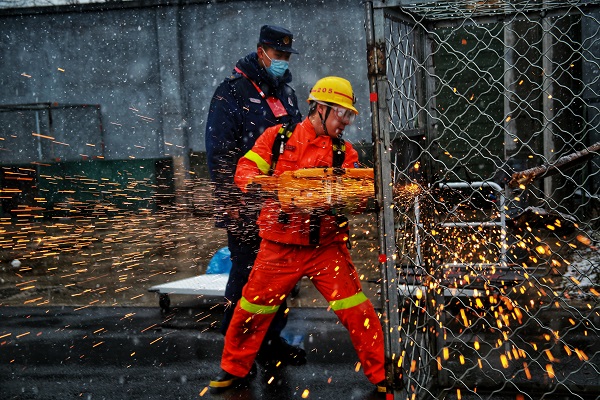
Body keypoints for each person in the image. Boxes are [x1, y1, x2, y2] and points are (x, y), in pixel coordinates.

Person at [209, 77, 386, 393]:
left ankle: (383, 375)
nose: (346, 122)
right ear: (320, 108)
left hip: (325, 248)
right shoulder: (278, 138)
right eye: (342, 114)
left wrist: (344, 199)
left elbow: (357, 200)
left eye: (350, 115)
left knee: (358, 310)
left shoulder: (345, 153)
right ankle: (233, 369)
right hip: (278, 247)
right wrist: (276, 188)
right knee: (251, 309)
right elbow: (245, 171)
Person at [205, 25, 305, 366]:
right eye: (278, 54)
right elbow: (219, 150)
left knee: (277, 276)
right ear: (261, 51)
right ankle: (236, 349)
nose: (283, 60)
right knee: (246, 277)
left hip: (280, 205)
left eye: (287, 55)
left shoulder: (287, 94)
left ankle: (271, 341)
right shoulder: (231, 93)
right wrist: (229, 198)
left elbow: (298, 143)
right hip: (244, 204)